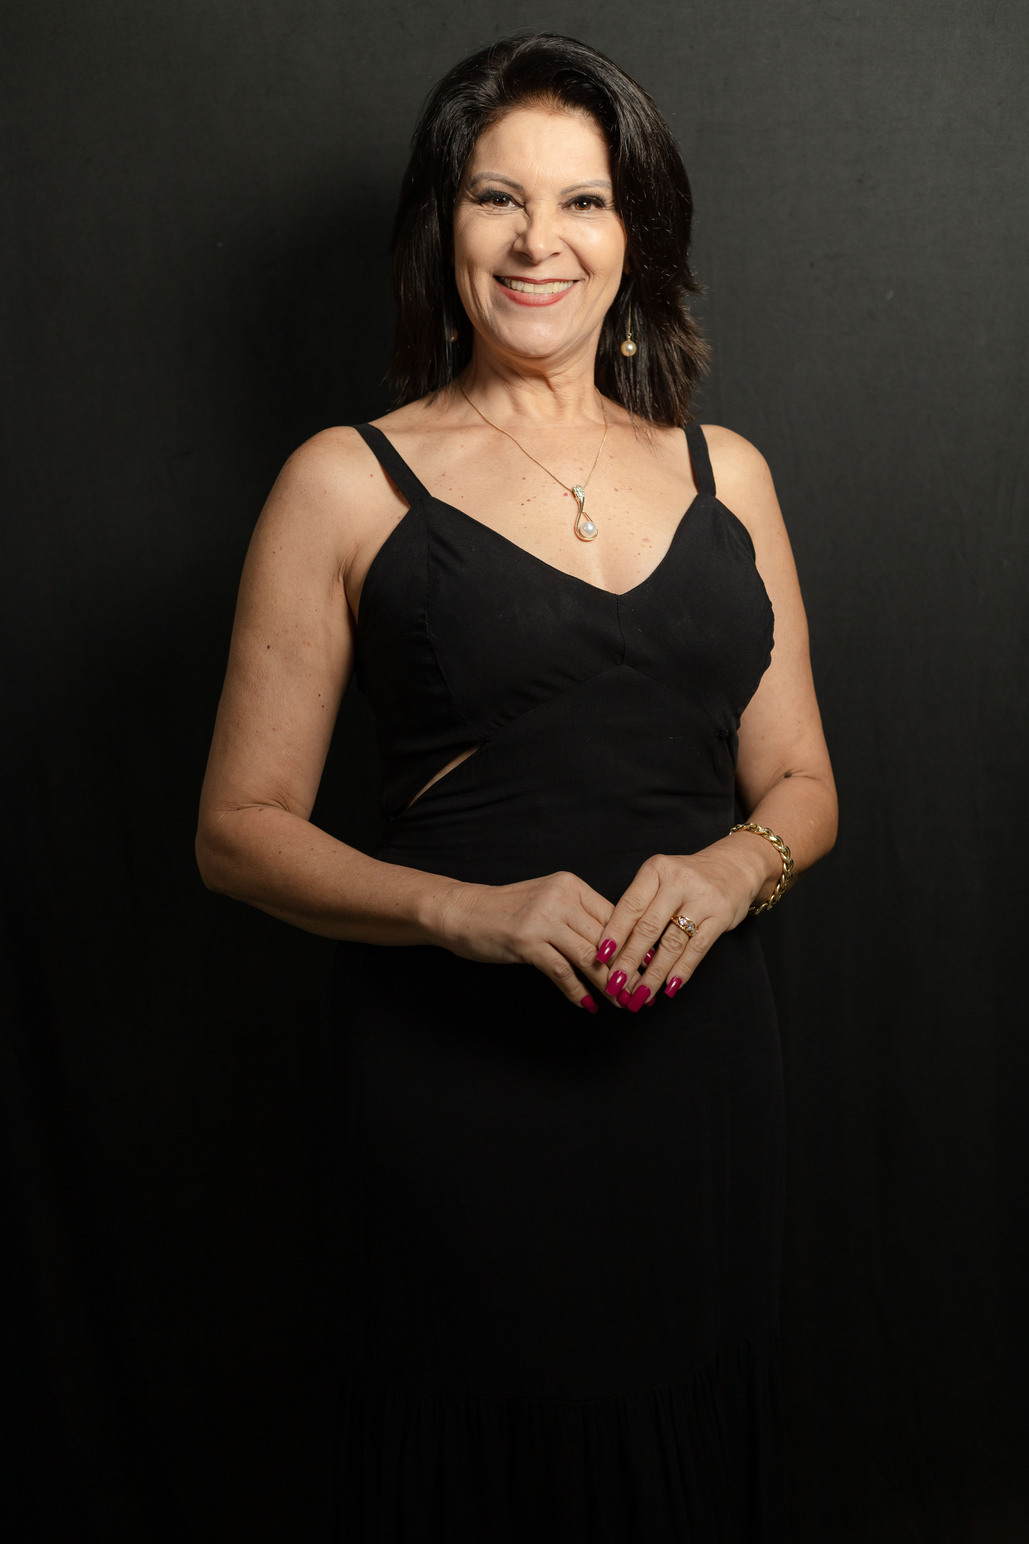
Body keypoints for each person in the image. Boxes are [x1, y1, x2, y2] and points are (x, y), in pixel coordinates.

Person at [196, 31, 837, 1544]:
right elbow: (237, 833)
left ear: (635, 235)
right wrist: (468, 913)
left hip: (701, 1082)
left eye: (583, 201)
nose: (539, 241)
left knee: (686, 1454)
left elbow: (802, 779)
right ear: (446, 226)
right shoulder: (345, 480)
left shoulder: (727, 476)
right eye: (498, 197)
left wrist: (733, 869)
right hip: (458, 1089)